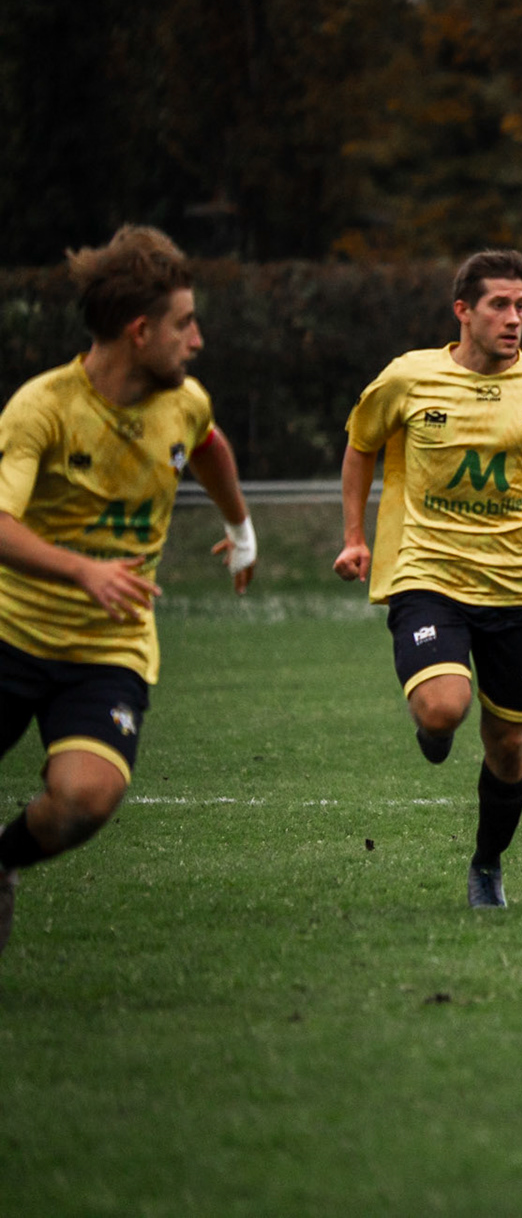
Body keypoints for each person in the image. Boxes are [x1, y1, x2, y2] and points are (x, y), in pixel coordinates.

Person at [0, 225, 257, 958]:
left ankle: (2, 862)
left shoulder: (184, 402)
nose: (197, 341)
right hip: (11, 632)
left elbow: (208, 446)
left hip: (107, 649)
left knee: (87, 800)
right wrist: (83, 570)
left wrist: (241, 530)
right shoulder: (43, 408)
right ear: (140, 332)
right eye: (185, 324)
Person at [333, 249, 522, 910]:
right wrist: (355, 537)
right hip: (428, 572)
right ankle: (435, 723)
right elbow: (361, 444)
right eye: (499, 305)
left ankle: (486, 863)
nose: (514, 319)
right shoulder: (409, 378)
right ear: (463, 311)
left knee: (508, 746)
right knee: (444, 705)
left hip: (520, 589)